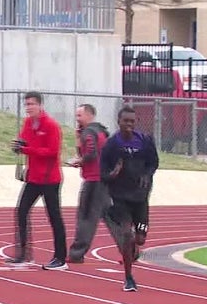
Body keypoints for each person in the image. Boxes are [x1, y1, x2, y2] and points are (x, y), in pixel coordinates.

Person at [99, 107, 158, 292]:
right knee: (125, 234)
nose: (129, 125)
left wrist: (147, 175)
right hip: (120, 197)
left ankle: (134, 245)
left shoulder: (144, 141)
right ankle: (128, 277)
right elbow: (102, 173)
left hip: (140, 197)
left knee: (139, 239)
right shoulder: (112, 144)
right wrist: (112, 174)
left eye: (132, 122)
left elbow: (153, 162)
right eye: (126, 121)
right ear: (119, 121)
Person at [9, 92, 67, 270]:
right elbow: (25, 141)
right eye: (26, 104)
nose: (28, 107)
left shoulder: (50, 125)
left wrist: (27, 150)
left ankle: (60, 257)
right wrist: (18, 146)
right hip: (33, 177)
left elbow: (51, 151)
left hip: (50, 178)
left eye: (31, 104)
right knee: (21, 211)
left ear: (40, 105)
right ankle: (23, 253)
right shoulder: (28, 123)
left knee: (54, 216)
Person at [67, 103, 110, 264]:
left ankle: (77, 253)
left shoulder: (89, 132)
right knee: (111, 217)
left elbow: (90, 153)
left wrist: (79, 161)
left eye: (79, 115)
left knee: (85, 217)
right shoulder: (102, 131)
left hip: (93, 180)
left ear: (89, 115)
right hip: (104, 179)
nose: (77, 119)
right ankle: (129, 247)